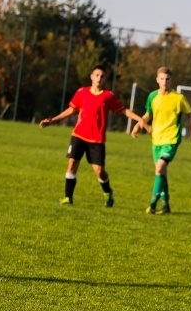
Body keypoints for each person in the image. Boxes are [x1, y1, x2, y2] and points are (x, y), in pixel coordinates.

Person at [39, 65, 146, 207]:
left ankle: (108, 192)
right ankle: (68, 197)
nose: (99, 78)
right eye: (97, 75)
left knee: (99, 171)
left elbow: (123, 110)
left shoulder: (108, 96)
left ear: (105, 79)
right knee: (72, 164)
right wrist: (52, 120)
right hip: (78, 135)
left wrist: (139, 119)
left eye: (102, 76)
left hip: (96, 139)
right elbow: (71, 110)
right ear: (91, 76)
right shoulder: (82, 92)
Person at [131, 67, 191, 214]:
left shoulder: (179, 98)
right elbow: (148, 114)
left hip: (171, 139)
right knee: (161, 173)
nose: (164, 82)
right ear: (157, 80)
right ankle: (166, 204)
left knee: (160, 168)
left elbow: (190, 116)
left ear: (171, 80)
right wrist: (138, 125)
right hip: (156, 139)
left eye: (167, 79)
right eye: (162, 79)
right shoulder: (152, 96)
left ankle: (152, 204)